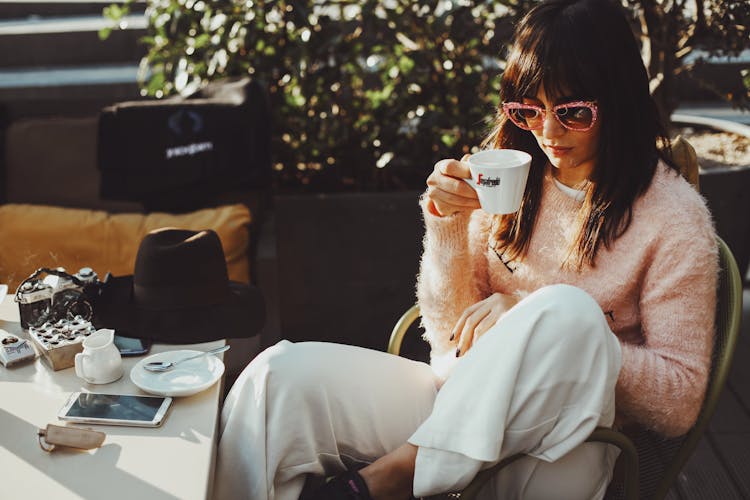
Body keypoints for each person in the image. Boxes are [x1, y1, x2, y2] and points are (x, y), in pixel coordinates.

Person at [214, 0, 718, 498]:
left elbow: (679, 403)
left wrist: (559, 335)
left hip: (565, 444)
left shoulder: (673, 216)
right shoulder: (505, 173)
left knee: (569, 313)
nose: (546, 131)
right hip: (456, 405)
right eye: (528, 109)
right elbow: (445, 333)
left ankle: (395, 475)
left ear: (620, 101)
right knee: (274, 380)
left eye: (573, 112)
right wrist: (448, 226)